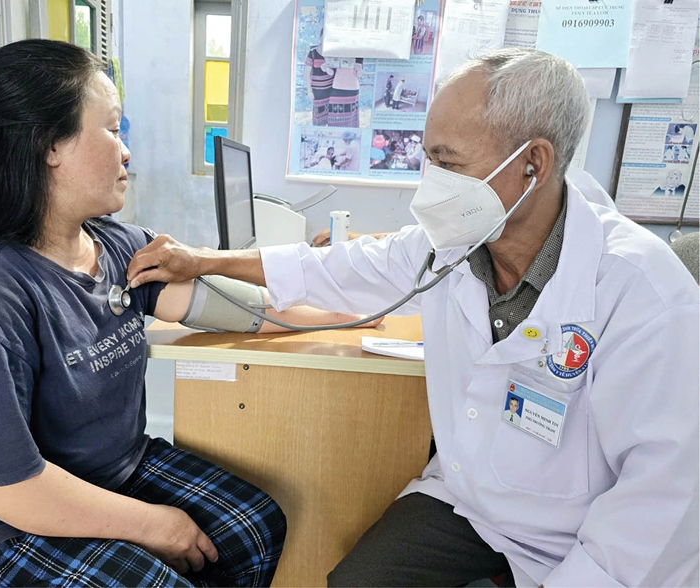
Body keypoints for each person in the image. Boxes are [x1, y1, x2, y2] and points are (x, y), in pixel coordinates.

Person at [124, 48, 700, 586]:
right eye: (429, 159)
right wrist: (204, 260)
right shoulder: (451, 248)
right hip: (472, 503)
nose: (431, 183)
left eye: (448, 163)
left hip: (582, 531)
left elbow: (662, 500)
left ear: (533, 164)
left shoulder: (645, 294)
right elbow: (334, 268)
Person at [0, 39, 383, 588]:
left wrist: (347, 313)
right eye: (113, 130)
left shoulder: (113, 245)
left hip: (101, 470)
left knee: (253, 528)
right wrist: (152, 523)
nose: (126, 152)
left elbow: (239, 309)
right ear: (50, 146)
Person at [304, 27, 334, 126]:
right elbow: (307, 74)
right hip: (317, 92)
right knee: (318, 118)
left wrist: (327, 69)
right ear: (320, 37)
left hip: (330, 91)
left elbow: (334, 73)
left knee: (330, 117)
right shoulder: (312, 53)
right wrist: (309, 91)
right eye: (323, 37)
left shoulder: (332, 53)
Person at [327, 57, 364, 127]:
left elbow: (359, 75)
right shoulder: (336, 52)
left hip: (352, 88)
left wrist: (359, 69)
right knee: (334, 117)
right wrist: (326, 68)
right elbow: (332, 72)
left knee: (351, 120)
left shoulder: (358, 53)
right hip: (337, 87)